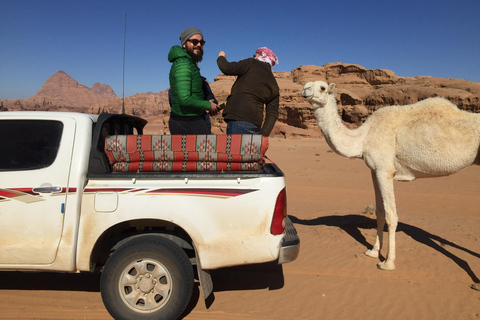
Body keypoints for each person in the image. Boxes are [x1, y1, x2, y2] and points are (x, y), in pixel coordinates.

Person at [216, 47, 280, 136]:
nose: (254, 57)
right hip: (255, 125)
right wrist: (263, 134)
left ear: (260, 55)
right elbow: (273, 113)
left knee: (234, 149)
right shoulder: (274, 83)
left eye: (255, 55)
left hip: (238, 120)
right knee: (248, 150)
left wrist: (221, 57)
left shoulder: (251, 63)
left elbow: (227, 68)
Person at [168, 27, 219, 134]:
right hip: (187, 123)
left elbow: (192, 94)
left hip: (190, 120)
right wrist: (208, 105)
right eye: (194, 41)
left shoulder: (188, 63)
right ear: (184, 44)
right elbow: (184, 99)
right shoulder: (183, 65)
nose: (199, 45)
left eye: (202, 42)